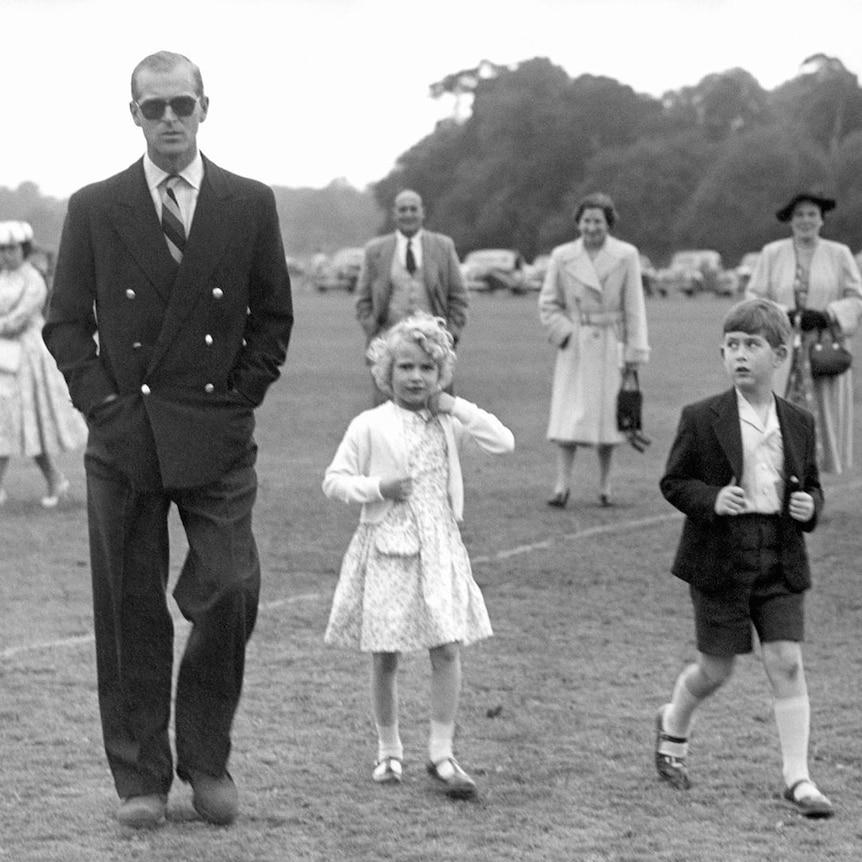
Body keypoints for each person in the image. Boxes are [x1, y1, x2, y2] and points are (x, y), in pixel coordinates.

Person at [43, 51, 293, 829]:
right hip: (126, 438)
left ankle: (207, 757)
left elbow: (272, 317)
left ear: (205, 108)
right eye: (154, 108)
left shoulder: (248, 203)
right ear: (134, 115)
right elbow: (64, 321)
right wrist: (104, 406)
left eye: (182, 104)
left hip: (215, 433)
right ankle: (141, 778)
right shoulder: (95, 206)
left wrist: (237, 401)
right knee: (128, 609)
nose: (170, 120)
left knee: (230, 587)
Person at [654, 298, 833, 818]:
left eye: (752, 346)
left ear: (779, 354)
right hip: (719, 557)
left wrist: (809, 506)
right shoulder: (701, 417)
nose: (739, 355)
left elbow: (813, 488)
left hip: (779, 554)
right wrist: (711, 499)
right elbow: (673, 481)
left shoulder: (798, 421)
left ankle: (798, 778)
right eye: (731, 345)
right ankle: (673, 724)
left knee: (787, 661)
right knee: (715, 670)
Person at [322, 312, 513, 799]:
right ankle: (388, 749)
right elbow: (335, 481)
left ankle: (442, 752)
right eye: (405, 367)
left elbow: (503, 442)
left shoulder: (448, 421)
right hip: (386, 545)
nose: (415, 377)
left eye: (427, 369)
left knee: (446, 646)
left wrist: (455, 406)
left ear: (440, 373)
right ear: (387, 372)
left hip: (439, 545)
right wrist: (377, 487)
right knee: (385, 652)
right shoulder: (369, 425)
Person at [538, 192, 650, 508]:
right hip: (576, 345)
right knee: (567, 419)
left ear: (608, 223)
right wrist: (566, 333)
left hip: (610, 345)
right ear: (578, 222)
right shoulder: (562, 256)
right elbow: (548, 302)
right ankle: (561, 485)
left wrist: (634, 351)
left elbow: (634, 307)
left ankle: (604, 486)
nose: (591, 227)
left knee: (609, 420)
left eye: (597, 221)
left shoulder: (626, 255)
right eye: (586, 220)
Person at [746, 191, 862, 473]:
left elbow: (856, 297)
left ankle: (813, 485)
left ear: (822, 220)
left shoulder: (839, 254)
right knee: (776, 414)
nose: (806, 220)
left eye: (812, 214)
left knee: (821, 419)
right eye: (800, 215)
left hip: (822, 350)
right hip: (780, 349)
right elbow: (753, 295)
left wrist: (827, 314)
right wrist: (782, 312)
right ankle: (779, 481)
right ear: (790, 220)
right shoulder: (772, 253)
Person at [0, 221, 87, 506]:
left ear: (23, 249)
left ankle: (54, 479)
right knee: (3, 422)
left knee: (27, 420)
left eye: (11, 249)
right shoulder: (2, 277)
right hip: (3, 355)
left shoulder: (33, 278)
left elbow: (19, 319)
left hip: (28, 358)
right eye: (1, 250)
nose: (6, 255)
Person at [355, 189, 468, 403]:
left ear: (422, 212)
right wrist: (374, 331)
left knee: (437, 409)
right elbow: (362, 299)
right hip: (389, 344)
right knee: (387, 412)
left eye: (413, 209)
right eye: (403, 209)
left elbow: (459, 296)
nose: (408, 214)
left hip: (433, 346)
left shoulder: (443, 246)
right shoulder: (375, 250)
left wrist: (450, 336)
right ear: (395, 213)